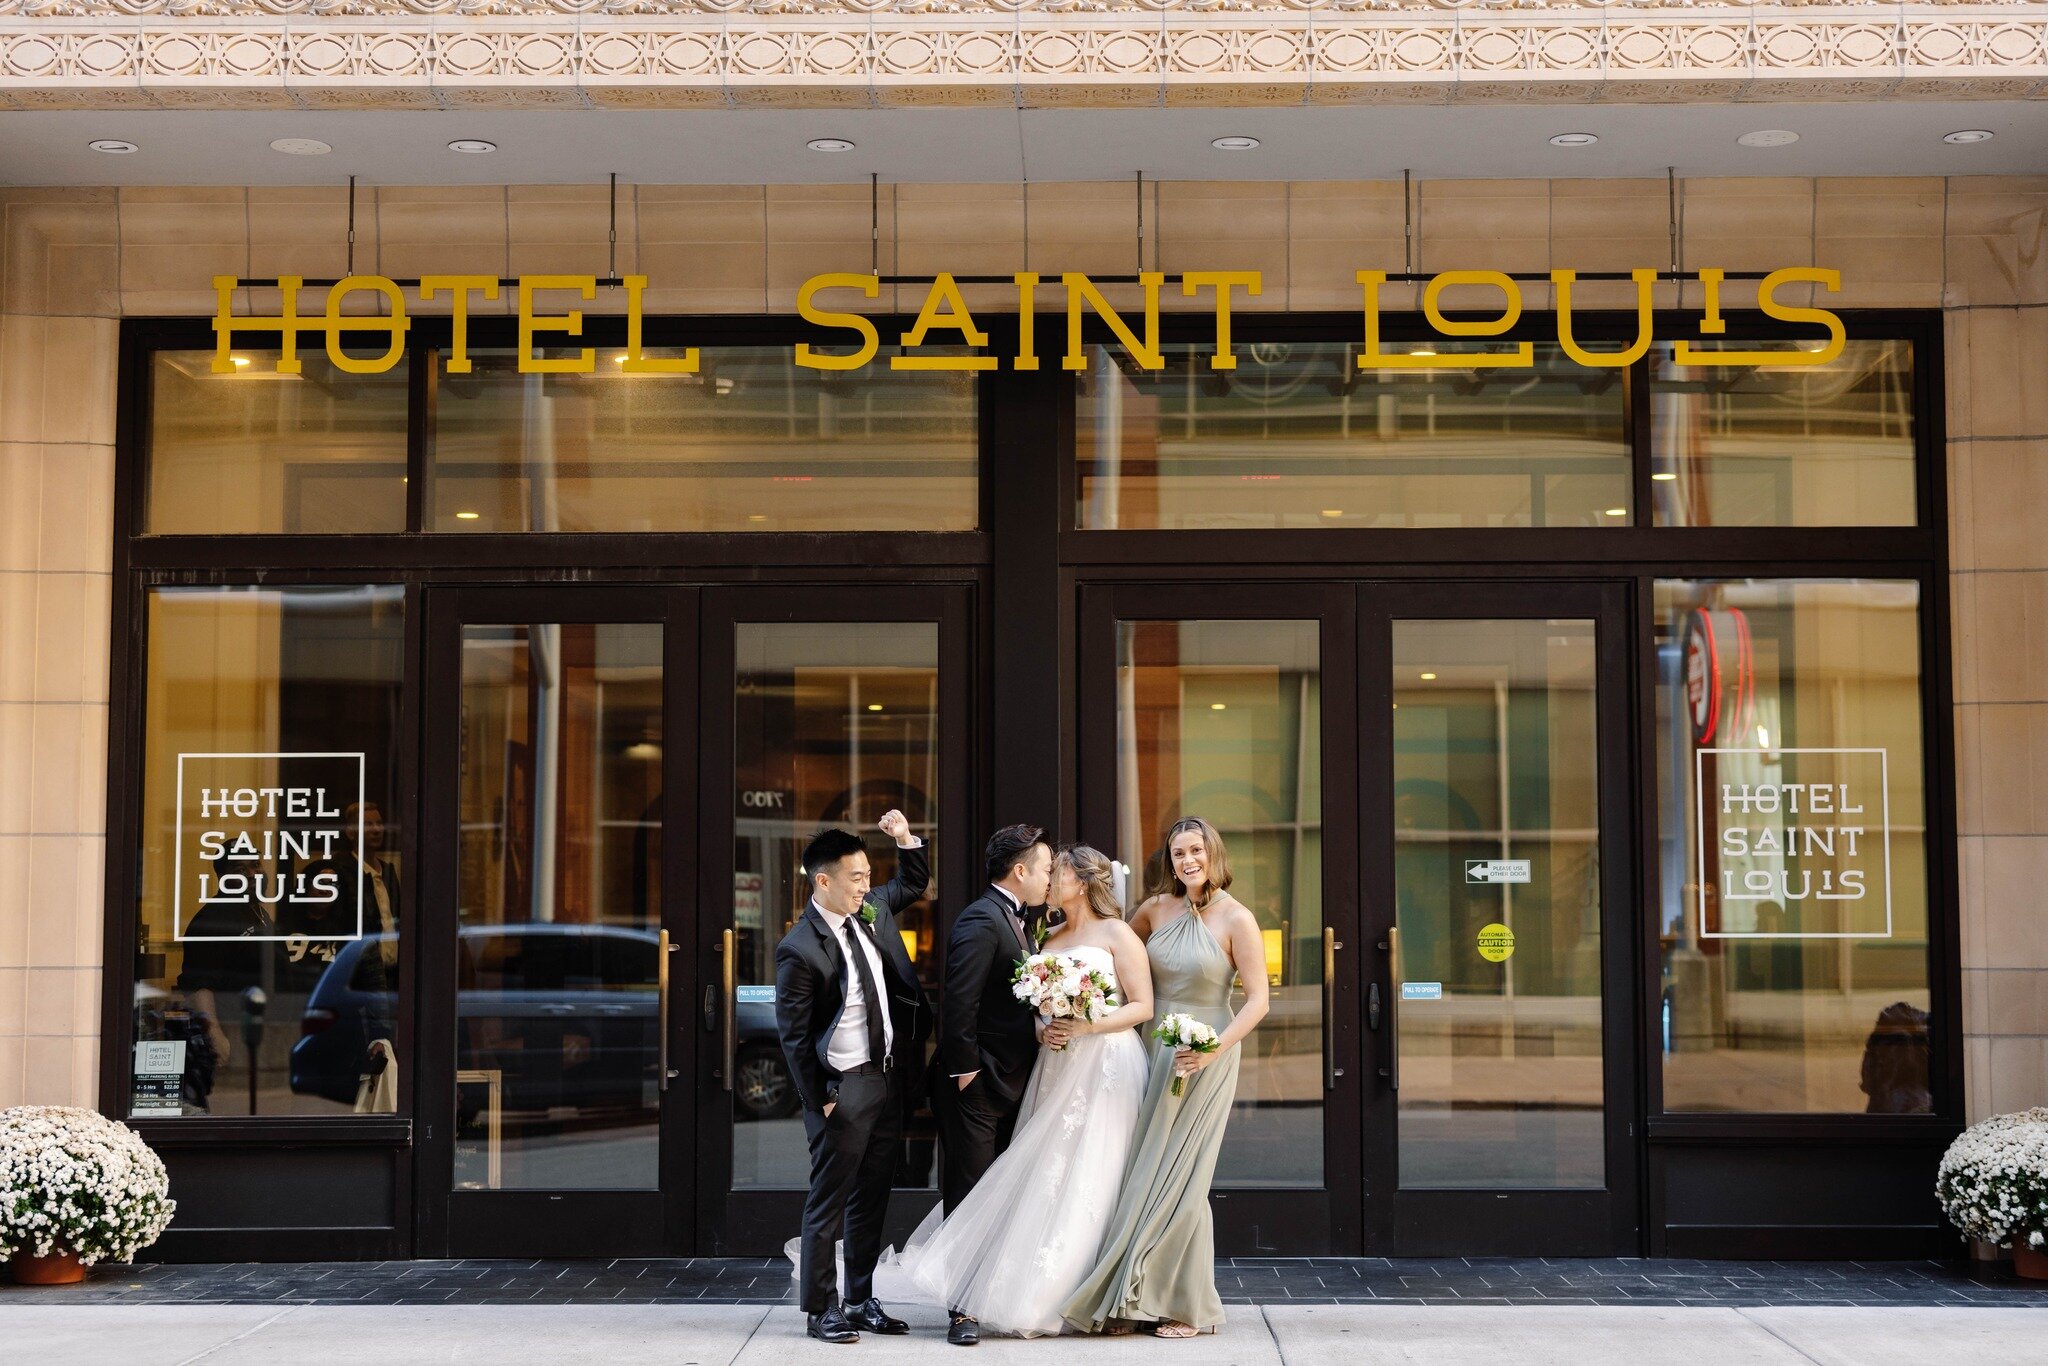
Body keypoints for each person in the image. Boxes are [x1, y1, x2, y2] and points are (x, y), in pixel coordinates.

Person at [877, 844, 1154, 1340]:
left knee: (1096, 1169)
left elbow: (1143, 1007)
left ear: (1085, 881)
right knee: (1044, 1171)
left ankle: (1095, 1290)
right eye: (1049, 870)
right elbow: (1022, 1006)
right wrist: (1042, 1029)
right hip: (1052, 1065)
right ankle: (979, 1297)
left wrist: (1087, 1026)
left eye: (1060, 872)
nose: (1051, 880)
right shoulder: (1043, 933)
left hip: (1104, 1063)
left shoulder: (1116, 933)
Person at [1063, 816, 1270, 1339]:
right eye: (1178, 853)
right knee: (1145, 1170)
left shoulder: (1237, 919)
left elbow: (1259, 1001)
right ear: (1170, 861)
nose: (1188, 861)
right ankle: (1130, 1298)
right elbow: (1109, 960)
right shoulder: (1153, 910)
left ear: (1213, 854)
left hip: (1205, 1055)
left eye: (1196, 850)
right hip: (1151, 1049)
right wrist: (1068, 988)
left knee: (1185, 1177)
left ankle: (1185, 1303)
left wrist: (1211, 1051)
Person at [775, 811, 934, 1345]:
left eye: (869, 875)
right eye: (857, 877)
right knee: (829, 1199)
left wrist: (905, 838)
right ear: (824, 881)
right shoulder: (799, 948)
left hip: (886, 1078)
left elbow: (912, 881)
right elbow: (795, 1039)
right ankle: (820, 1309)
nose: (868, 885)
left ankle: (860, 1297)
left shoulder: (871, 910)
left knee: (872, 1194)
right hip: (842, 1087)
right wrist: (819, 1098)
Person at [932, 823, 1052, 1345]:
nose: (1051, 877)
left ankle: (985, 1297)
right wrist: (967, 1072)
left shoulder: (1018, 919)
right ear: (1020, 871)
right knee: (968, 1194)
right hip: (976, 1084)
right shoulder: (981, 919)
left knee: (994, 1194)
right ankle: (962, 1310)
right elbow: (959, 1001)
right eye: (1046, 868)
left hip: (1007, 1079)